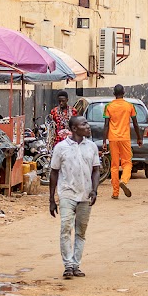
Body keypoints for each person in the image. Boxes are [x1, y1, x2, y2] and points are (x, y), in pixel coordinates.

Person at [49, 115, 100, 279]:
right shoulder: (61, 148)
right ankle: (68, 265)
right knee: (65, 229)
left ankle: (76, 265)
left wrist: (95, 190)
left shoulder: (91, 147)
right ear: (74, 129)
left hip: (85, 195)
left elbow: (96, 169)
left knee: (81, 232)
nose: (88, 126)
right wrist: (51, 199)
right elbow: (54, 172)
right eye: (84, 124)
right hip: (67, 193)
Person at [104, 85, 142, 199]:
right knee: (127, 163)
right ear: (124, 92)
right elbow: (135, 123)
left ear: (113, 93)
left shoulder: (108, 106)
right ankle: (124, 180)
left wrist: (104, 141)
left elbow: (106, 125)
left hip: (113, 139)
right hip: (125, 138)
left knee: (114, 165)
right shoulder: (129, 106)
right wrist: (139, 138)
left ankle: (115, 193)